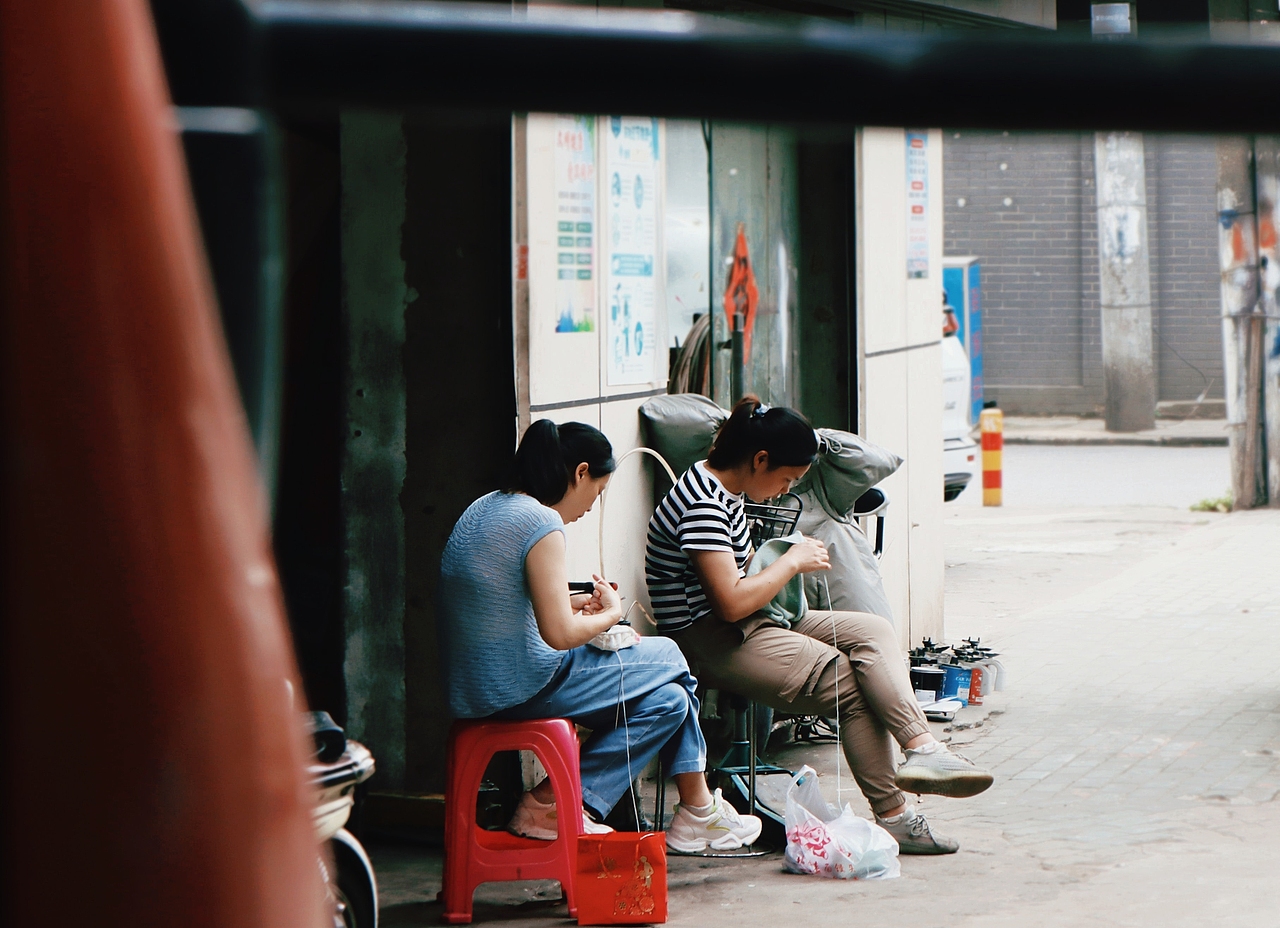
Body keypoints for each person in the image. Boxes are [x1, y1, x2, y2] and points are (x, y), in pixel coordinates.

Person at [645, 396, 993, 855]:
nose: (785, 489)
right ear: (759, 459)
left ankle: (925, 748)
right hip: (714, 638)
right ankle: (895, 816)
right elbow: (728, 603)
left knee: (874, 631)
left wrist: (779, 561)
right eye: (786, 479)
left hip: (755, 619)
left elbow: (743, 574)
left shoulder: (724, 490)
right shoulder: (702, 503)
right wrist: (789, 562)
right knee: (852, 686)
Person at [438, 419, 762, 853]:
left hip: (476, 685)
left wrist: (576, 603)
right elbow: (560, 635)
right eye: (599, 489)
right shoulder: (542, 521)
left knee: (669, 701)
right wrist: (609, 615)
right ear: (580, 472)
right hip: (521, 684)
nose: (593, 503)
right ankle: (691, 809)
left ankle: (556, 803)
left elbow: (505, 602)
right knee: (670, 657)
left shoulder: (488, 507)